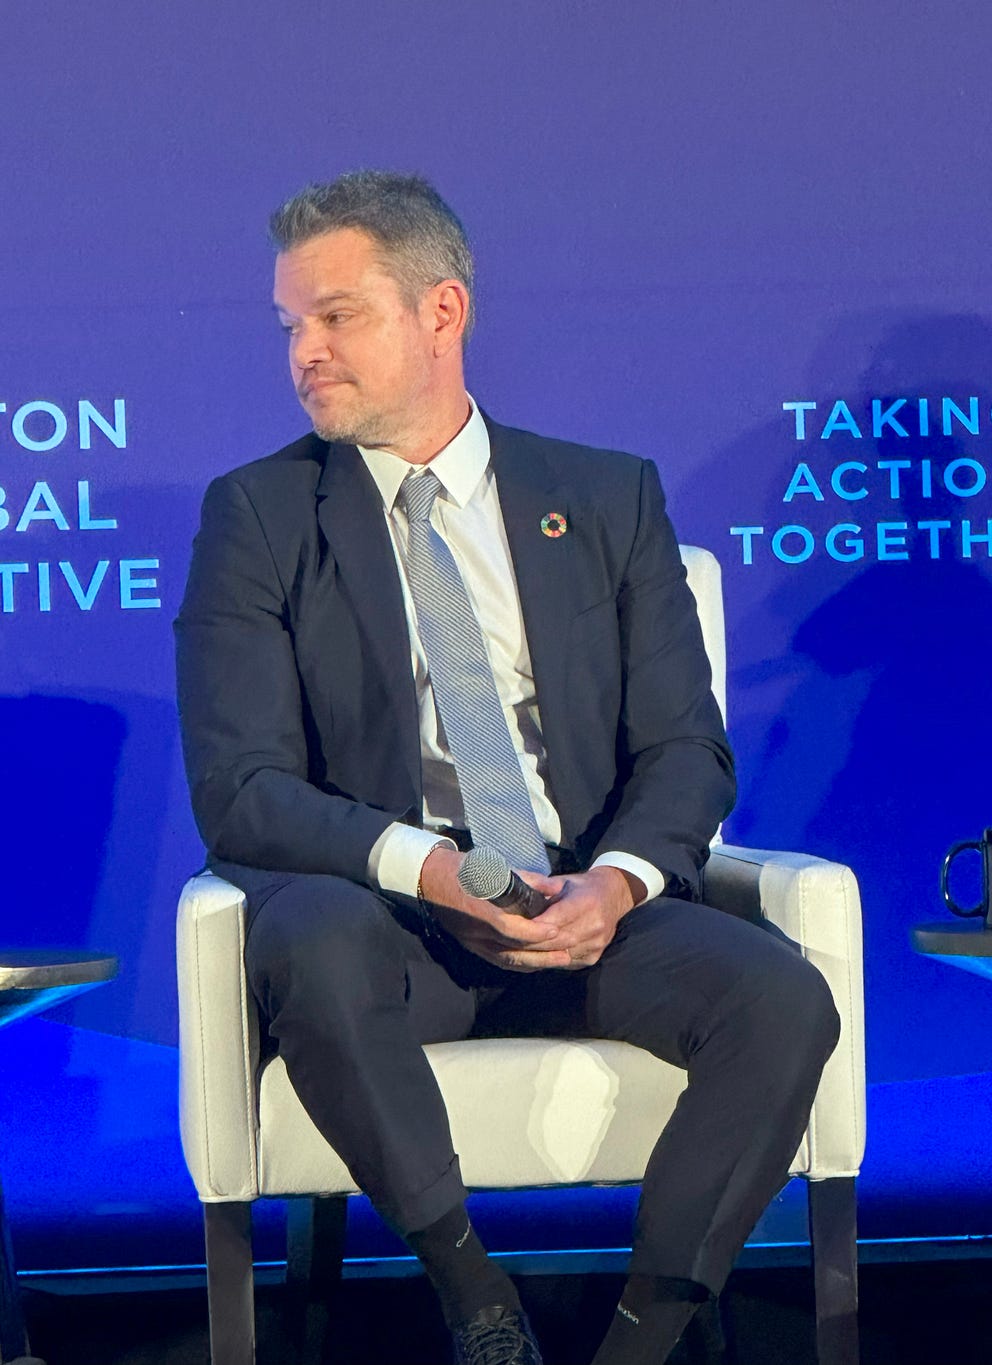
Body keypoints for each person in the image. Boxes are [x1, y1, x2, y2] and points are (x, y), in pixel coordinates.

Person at [175, 170, 840, 1365]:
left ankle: (643, 1339)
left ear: (442, 312)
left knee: (782, 995)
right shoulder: (258, 517)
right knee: (310, 939)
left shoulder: (603, 497)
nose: (304, 354)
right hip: (392, 926)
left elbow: (686, 748)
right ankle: (476, 1299)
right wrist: (433, 871)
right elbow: (243, 790)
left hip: (587, 909)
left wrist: (619, 885)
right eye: (291, 326)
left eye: (337, 317)